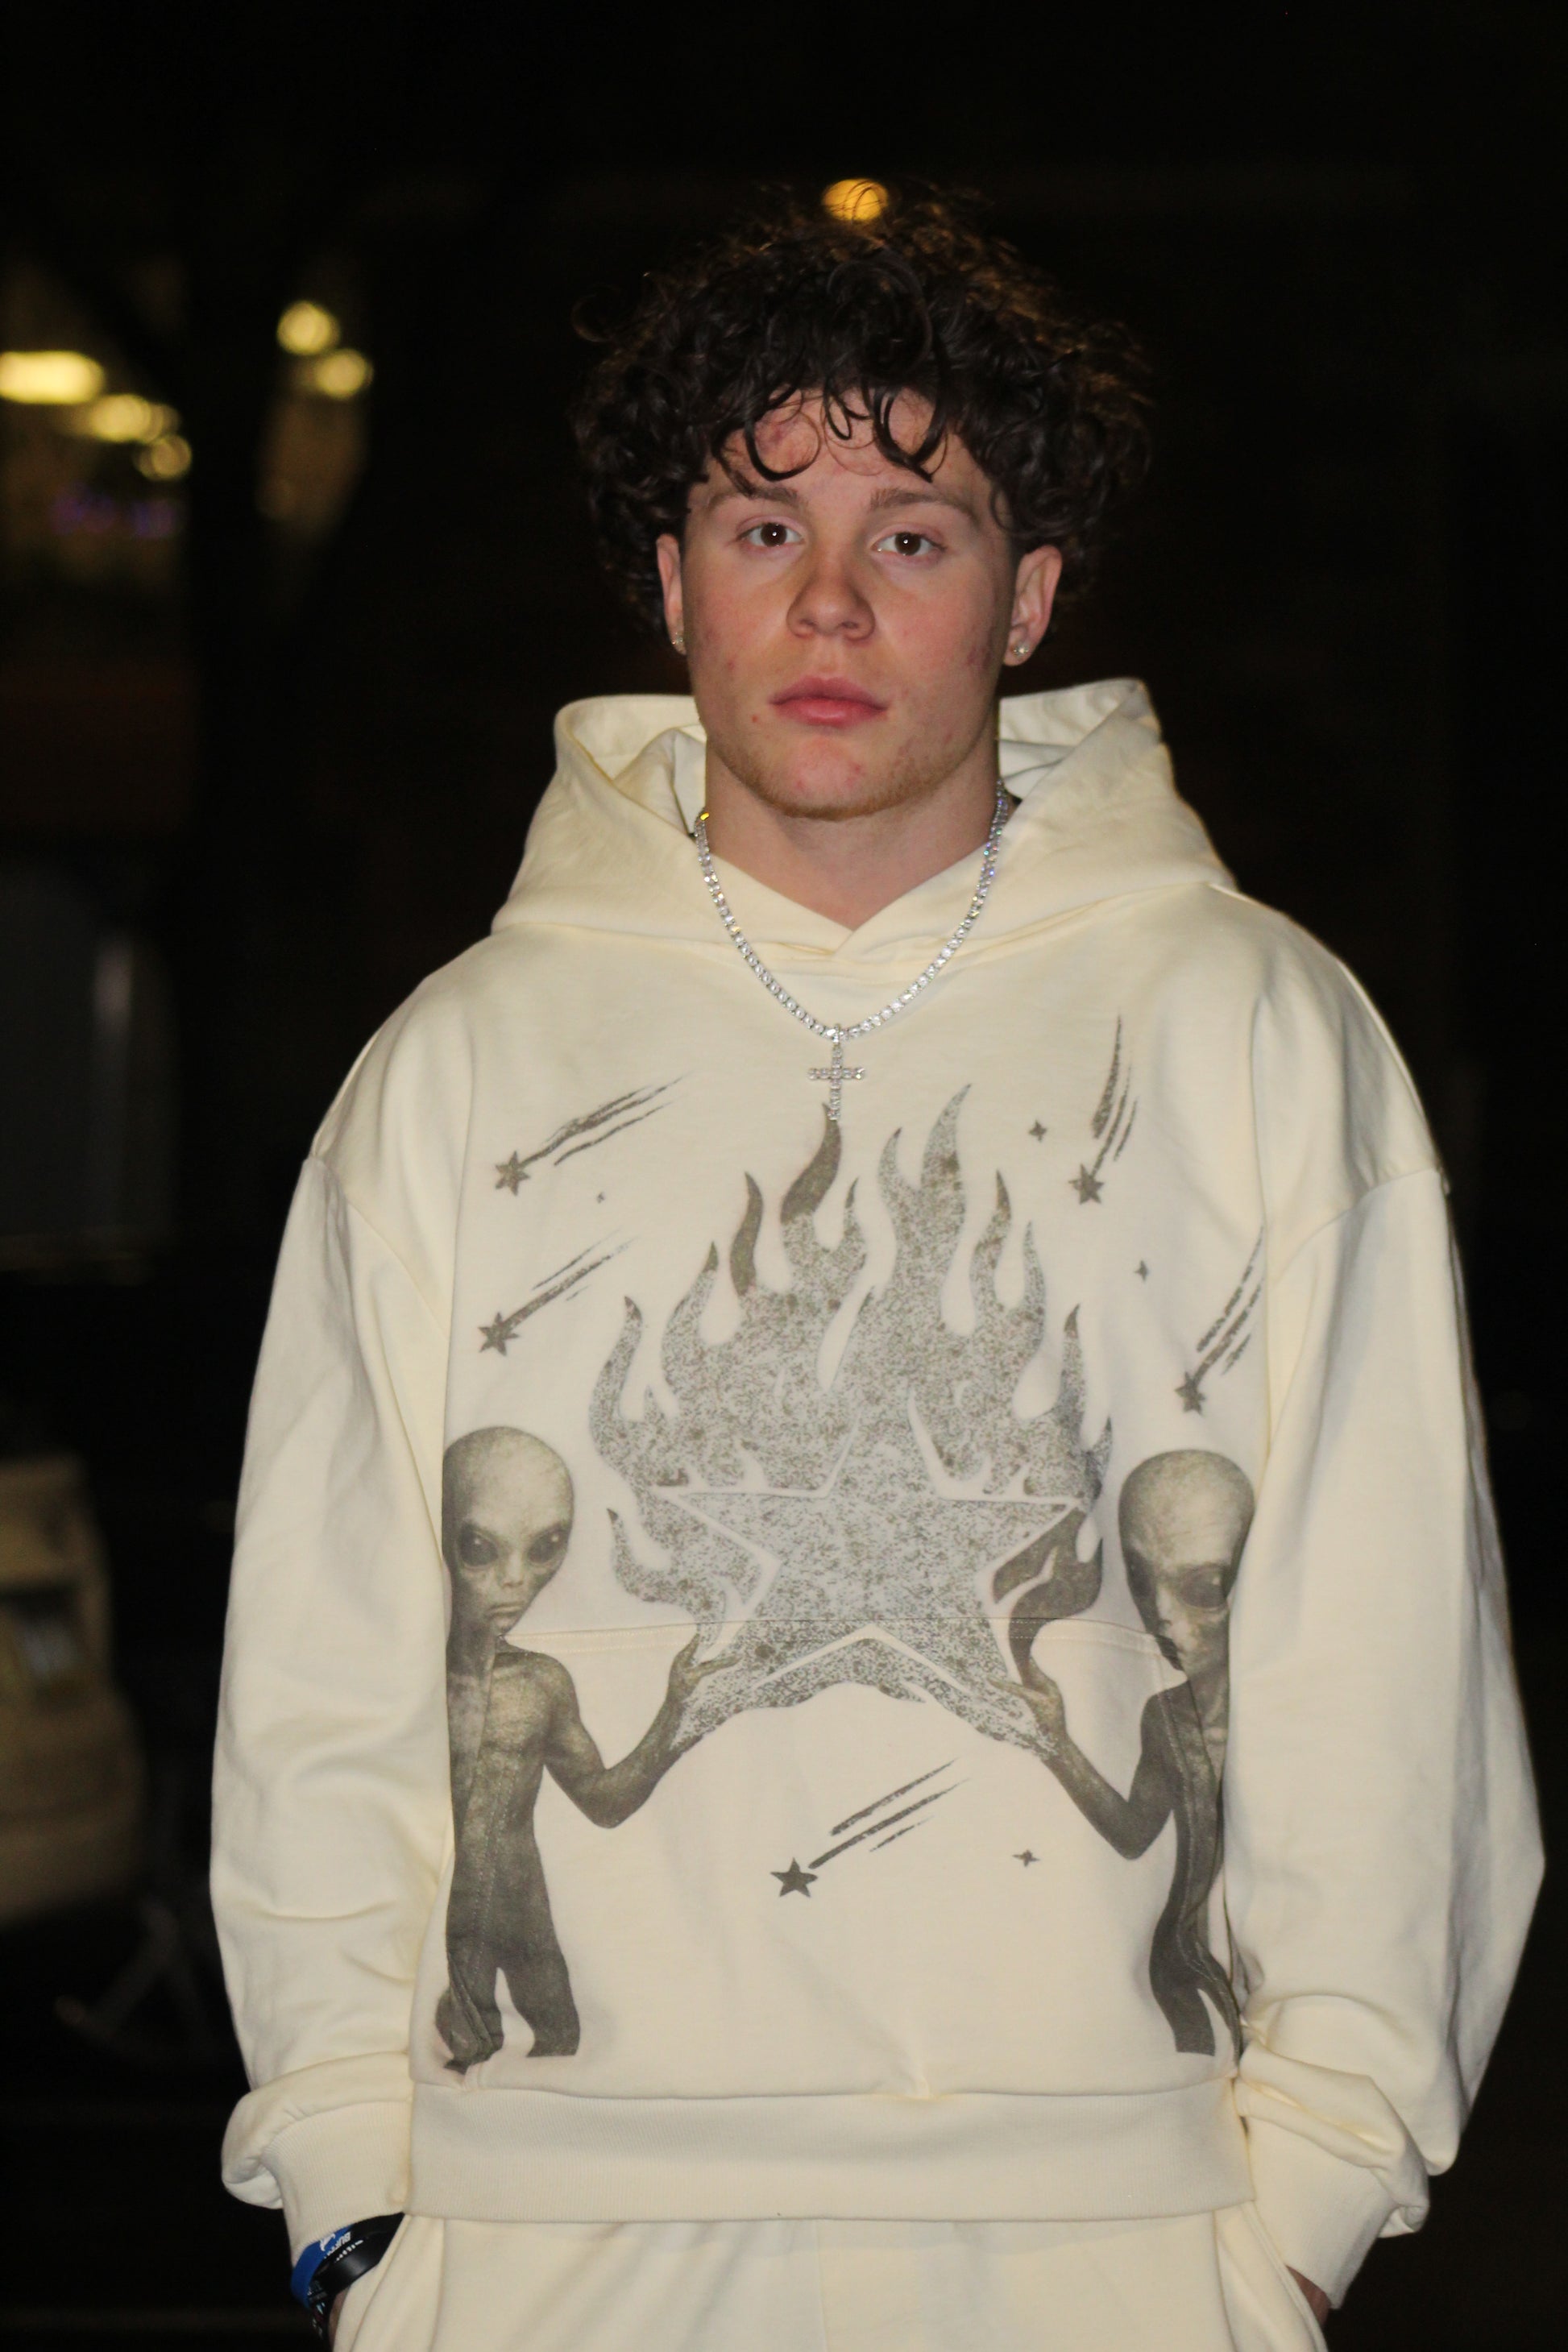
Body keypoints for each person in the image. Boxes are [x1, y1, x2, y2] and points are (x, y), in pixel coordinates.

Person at [212, 188, 1541, 2351]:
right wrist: (355, 2203)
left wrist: (1305, 2197)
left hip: (1116, 2242)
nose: (827, 599)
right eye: (762, 528)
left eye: (911, 536)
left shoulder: (1256, 1034)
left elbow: (1382, 1650)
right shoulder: (458, 1066)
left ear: (1027, 597)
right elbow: (324, 1669)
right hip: (547, 2253)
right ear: (673, 583)